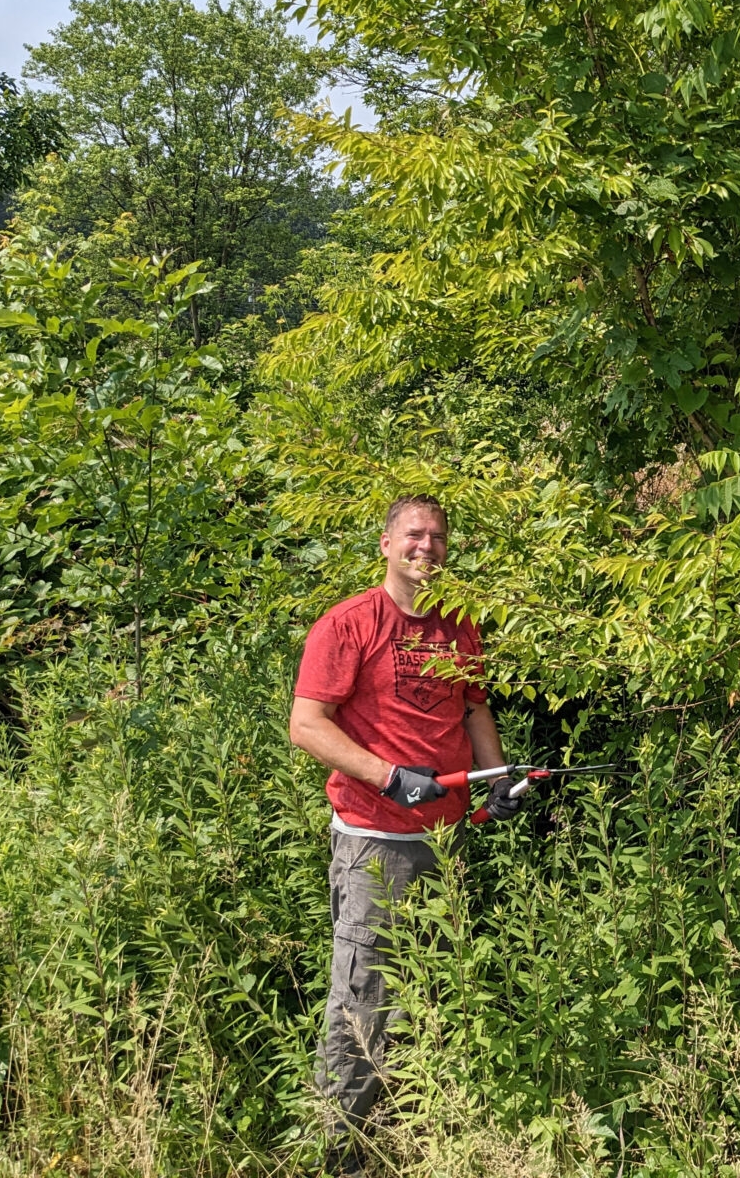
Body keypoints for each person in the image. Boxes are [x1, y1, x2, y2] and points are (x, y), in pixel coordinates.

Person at [288, 494, 525, 1169]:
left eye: (439, 537)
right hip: (373, 842)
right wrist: (388, 776)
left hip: (445, 842)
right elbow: (307, 725)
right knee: (362, 1003)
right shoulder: (348, 624)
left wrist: (496, 780)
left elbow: (474, 707)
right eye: (415, 535)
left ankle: (412, 1142)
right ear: (387, 544)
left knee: (430, 992)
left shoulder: (459, 625)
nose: (428, 547)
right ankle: (341, 1156)